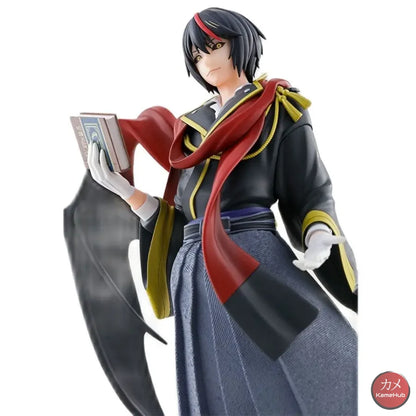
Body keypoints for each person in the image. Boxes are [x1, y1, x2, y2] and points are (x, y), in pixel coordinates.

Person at [67, 7, 357, 416]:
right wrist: (127, 193)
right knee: (216, 386)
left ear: (241, 43)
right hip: (195, 271)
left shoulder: (278, 108)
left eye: (214, 46)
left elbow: (309, 190)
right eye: (197, 53)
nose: (206, 60)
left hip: (250, 258)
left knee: (307, 360)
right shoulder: (190, 128)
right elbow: (184, 217)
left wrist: (318, 235)